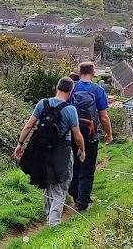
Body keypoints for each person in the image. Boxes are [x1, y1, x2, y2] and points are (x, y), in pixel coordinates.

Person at [14, 77, 85, 227]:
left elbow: (29, 126)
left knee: (47, 181)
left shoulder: (43, 103)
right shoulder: (70, 109)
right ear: (71, 91)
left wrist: (20, 144)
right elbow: (77, 135)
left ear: (57, 88)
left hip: (42, 151)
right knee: (61, 184)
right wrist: (82, 150)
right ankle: (54, 223)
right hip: (62, 152)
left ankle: (48, 213)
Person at [69, 62, 113, 212]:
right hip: (90, 135)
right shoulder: (98, 90)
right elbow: (104, 117)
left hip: (72, 134)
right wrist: (109, 133)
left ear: (80, 72)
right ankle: (82, 203)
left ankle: (75, 195)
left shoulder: (72, 87)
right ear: (93, 73)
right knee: (87, 168)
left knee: (74, 165)